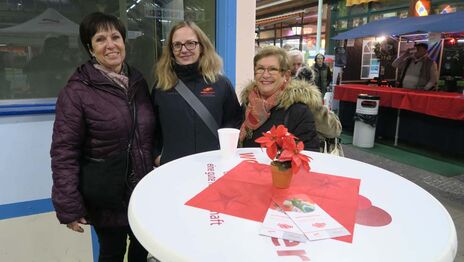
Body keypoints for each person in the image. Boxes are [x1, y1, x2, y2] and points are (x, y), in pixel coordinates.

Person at [50, 12, 155, 262]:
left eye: (115, 37)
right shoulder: (76, 91)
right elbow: (64, 152)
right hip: (106, 197)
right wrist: (69, 205)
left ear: (124, 42)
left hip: (141, 192)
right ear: (90, 48)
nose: (110, 44)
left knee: (142, 251)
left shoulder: (138, 82)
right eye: (100, 39)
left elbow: (150, 134)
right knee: (112, 253)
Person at [152, 21, 242, 166]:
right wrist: (157, 156)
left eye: (190, 43)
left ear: (202, 46)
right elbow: (152, 127)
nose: (184, 49)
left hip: (213, 165)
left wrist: (226, 152)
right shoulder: (161, 86)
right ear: (171, 50)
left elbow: (234, 121)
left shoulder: (221, 84)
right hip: (172, 166)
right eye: (177, 45)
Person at [240, 46, 342, 151]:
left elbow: (307, 153)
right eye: (260, 69)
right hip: (244, 164)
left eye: (273, 69)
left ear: (286, 75)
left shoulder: (299, 109)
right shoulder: (248, 101)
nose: (265, 75)